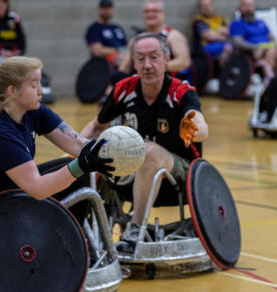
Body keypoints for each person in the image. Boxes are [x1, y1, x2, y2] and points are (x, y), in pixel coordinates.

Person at [81, 33, 208, 250]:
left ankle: (134, 230)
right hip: (136, 175)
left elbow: (201, 125)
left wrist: (194, 127)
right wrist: (78, 154)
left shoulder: (181, 92)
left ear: (167, 60)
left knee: (147, 151)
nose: (147, 65)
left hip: (181, 176)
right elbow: (96, 126)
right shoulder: (124, 89)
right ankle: (86, 235)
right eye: (140, 59)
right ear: (134, 62)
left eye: (154, 57)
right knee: (93, 161)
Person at [0, 56, 114, 202]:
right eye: (34, 85)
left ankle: (71, 227)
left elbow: (77, 143)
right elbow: (38, 189)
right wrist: (81, 165)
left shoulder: (33, 110)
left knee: (78, 171)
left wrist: (108, 152)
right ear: (12, 91)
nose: (41, 91)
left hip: (14, 189)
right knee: (78, 171)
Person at [0, 0, 55, 104]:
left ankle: (40, 91)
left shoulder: (14, 18)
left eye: (3, 3)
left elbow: (22, 39)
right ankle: (13, 94)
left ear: (7, 5)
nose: (0, 6)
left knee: (31, 65)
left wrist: (19, 51)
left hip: (13, 55)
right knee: (7, 65)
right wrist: (1, 51)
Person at [117, 0, 191, 78]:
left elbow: (184, 61)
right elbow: (124, 67)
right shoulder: (136, 38)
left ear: (163, 14)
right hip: (140, 85)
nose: (150, 14)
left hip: (167, 84)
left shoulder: (173, 35)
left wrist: (154, 67)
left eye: (154, 11)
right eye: (147, 11)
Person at [229, 0, 277, 80]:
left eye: (251, 6)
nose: (248, 8)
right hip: (252, 53)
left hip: (267, 48)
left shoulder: (261, 22)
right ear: (240, 8)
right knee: (271, 52)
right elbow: (237, 42)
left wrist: (273, 45)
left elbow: (272, 38)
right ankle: (268, 81)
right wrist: (256, 47)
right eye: (245, 6)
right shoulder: (237, 23)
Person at [85, 0, 128, 68]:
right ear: (99, 10)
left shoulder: (117, 28)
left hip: (121, 64)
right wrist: (118, 51)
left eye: (109, 8)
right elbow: (97, 51)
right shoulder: (94, 28)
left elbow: (127, 46)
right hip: (103, 67)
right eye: (104, 8)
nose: (106, 10)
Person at [192, 0, 233, 67]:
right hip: (205, 47)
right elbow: (208, 36)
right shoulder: (198, 20)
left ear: (212, 6)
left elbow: (230, 31)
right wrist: (219, 31)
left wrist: (213, 32)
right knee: (228, 47)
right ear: (199, 8)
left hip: (221, 45)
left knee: (232, 49)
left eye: (209, 5)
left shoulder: (220, 18)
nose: (207, 8)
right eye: (203, 6)